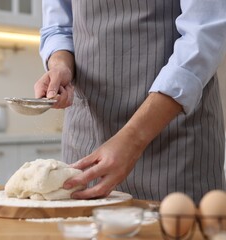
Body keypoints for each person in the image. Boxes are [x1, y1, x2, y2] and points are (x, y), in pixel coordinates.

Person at [34, 0, 226, 203]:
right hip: (86, 142)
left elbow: (203, 35)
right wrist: (60, 65)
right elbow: (58, 28)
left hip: (176, 144)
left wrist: (134, 138)